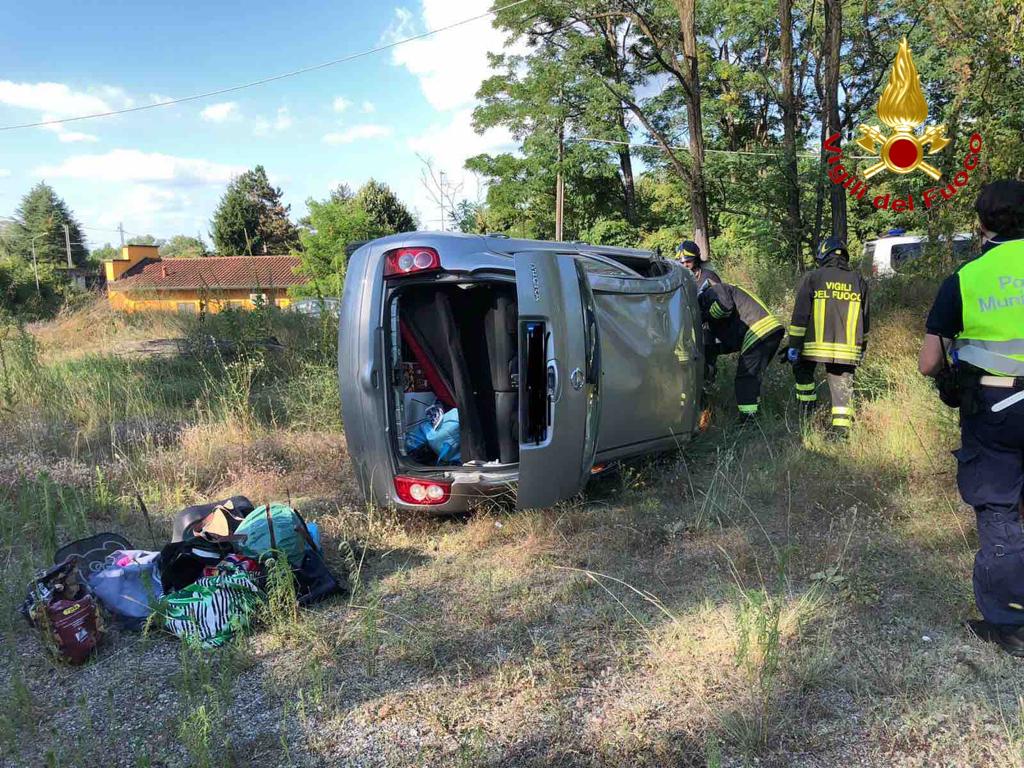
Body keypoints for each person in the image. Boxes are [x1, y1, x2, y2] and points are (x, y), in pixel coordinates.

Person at [919, 179, 1024, 656]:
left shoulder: (966, 279)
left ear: (982, 225)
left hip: (997, 412)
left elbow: (928, 362)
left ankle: (1010, 623)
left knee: (1000, 509)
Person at [784, 236, 870, 436]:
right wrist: (862, 347)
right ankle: (842, 431)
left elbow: (800, 315)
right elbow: (865, 318)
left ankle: (808, 415)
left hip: (813, 346)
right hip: (847, 348)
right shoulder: (858, 280)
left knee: (803, 372)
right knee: (842, 386)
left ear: (823, 255)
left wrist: (794, 345)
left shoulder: (814, 277)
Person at [699, 281, 784, 419]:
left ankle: (748, 420)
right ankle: (755, 415)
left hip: (758, 330)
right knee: (753, 378)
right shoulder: (730, 290)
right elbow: (732, 337)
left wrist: (704, 316)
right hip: (769, 331)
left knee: (746, 378)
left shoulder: (714, 291)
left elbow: (724, 307)